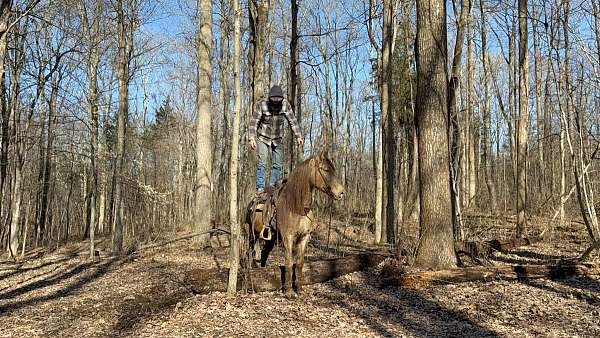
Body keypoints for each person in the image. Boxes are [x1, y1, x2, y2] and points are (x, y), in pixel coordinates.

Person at [248, 85, 304, 194]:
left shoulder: (285, 105)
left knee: (277, 164)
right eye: (273, 100)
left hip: (278, 138)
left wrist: (299, 136)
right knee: (262, 162)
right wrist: (251, 138)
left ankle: (272, 186)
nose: (275, 102)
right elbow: (254, 122)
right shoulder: (262, 105)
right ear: (269, 98)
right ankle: (260, 187)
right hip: (263, 137)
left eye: (277, 100)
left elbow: (292, 121)